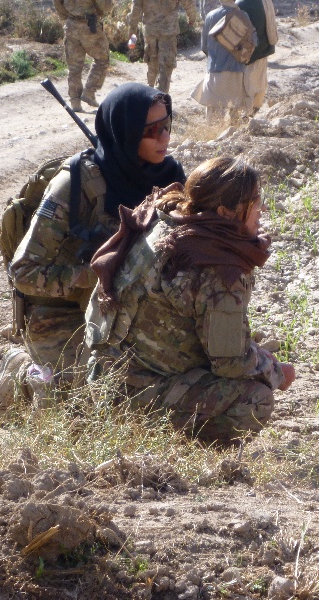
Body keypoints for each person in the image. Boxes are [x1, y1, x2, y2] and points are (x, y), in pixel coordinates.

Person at [0, 83, 186, 419]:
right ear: (124, 132)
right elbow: (22, 272)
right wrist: (93, 273)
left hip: (122, 312)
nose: (164, 138)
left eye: (167, 124)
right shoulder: (77, 185)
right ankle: (25, 373)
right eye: (151, 131)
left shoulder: (169, 178)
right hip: (61, 313)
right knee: (78, 402)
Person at [85, 157, 295, 443]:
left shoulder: (165, 218)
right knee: (256, 399)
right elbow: (230, 361)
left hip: (103, 373)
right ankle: (171, 446)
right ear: (225, 212)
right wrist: (274, 370)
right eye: (255, 201)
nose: (263, 209)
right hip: (136, 393)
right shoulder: (217, 267)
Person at [192, 0, 257, 124]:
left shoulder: (210, 16)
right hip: (237, 71)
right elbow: (253, 42)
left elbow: (204, 46)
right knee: (235, 114)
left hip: (215, 70)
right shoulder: (243, 16)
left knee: (213, 114)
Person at [53, 0, 113, 111]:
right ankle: (89, 91)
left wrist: (66, 16)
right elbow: (105, 6)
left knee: (74, 67)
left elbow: (57, 3)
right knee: (103, 60)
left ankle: (75, 102)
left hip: (71, 25)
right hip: (89, 26)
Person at [127, 0, 199, 93]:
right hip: (168, 32)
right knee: (166, 66)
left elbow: (136, 8)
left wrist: (132, 29)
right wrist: (192, 17)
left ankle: (150, 93)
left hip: (151, 31)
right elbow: (188, 2)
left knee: (152, 64)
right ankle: (161, 97)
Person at [236, 0, 278, 116]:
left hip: (247, 55)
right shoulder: (265, 2)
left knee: (247, 89)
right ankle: (251, 115)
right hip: (262, 50)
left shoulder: (241, 4)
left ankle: (246, 117)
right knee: (259, 87)